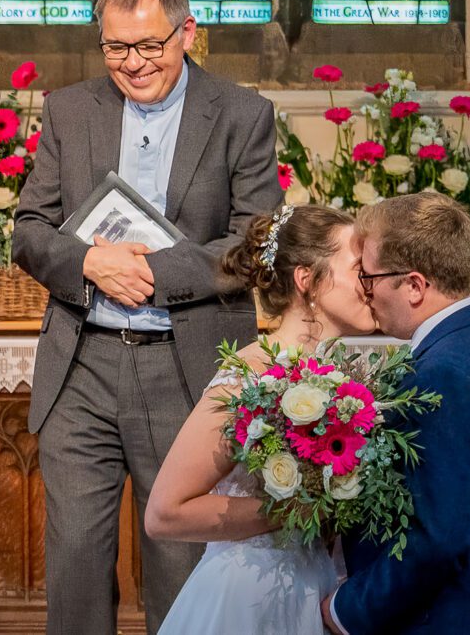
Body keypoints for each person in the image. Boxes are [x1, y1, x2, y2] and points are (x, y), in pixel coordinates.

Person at [11, 0, 283, 634]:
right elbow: (28, 232)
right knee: (74, 561)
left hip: (187, 367)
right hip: (83, 364)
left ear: (187, 33)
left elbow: (259, 239)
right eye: (115, 47)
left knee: (183, 564)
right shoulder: (70, 110)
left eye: (149, 46)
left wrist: (155, 275)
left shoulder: (242, 114)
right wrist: (91, 263)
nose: (132, 64)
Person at [322, 192, 470, 634]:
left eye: (369, 279)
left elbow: (436, 540)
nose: (365, 295)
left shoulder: (443, 372)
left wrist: (345, 610)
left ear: (414, 285)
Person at [145, 205, 377, 634]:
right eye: (358, 268)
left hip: (314, 588)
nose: (370, 283)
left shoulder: (343, 381)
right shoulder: (247, 376)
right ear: (307, 280)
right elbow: (165, 513)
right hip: (247, 597)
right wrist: (296, 510)